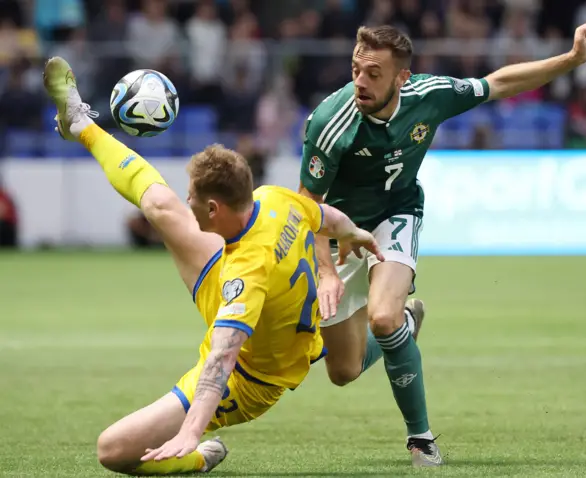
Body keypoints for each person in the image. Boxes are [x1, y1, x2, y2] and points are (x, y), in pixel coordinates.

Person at [43, 56, 384, 476]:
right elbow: (323, 215)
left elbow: (222, 360)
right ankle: (80, 124)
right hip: (247, 289)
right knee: (159, 206)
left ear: (213, 207)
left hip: (249, 378)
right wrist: (351, 231)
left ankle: (201, 458)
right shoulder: (275, 199)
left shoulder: (247, 273)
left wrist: (192, 431)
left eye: (193, 197)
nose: (187, 201)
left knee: (113, 450)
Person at [299, 23, 586, 467]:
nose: (360, 82)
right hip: (340, 232)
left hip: (396, 216)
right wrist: (325, 270)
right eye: (356, 69)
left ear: (402, 77)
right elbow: (309, 205)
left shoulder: (431, 94)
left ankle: (420, 439)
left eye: (374, 73)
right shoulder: (331, 121)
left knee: (381, 319)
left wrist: (571, 60)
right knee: (342, 372)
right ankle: (406, 323)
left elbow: (499, 83)